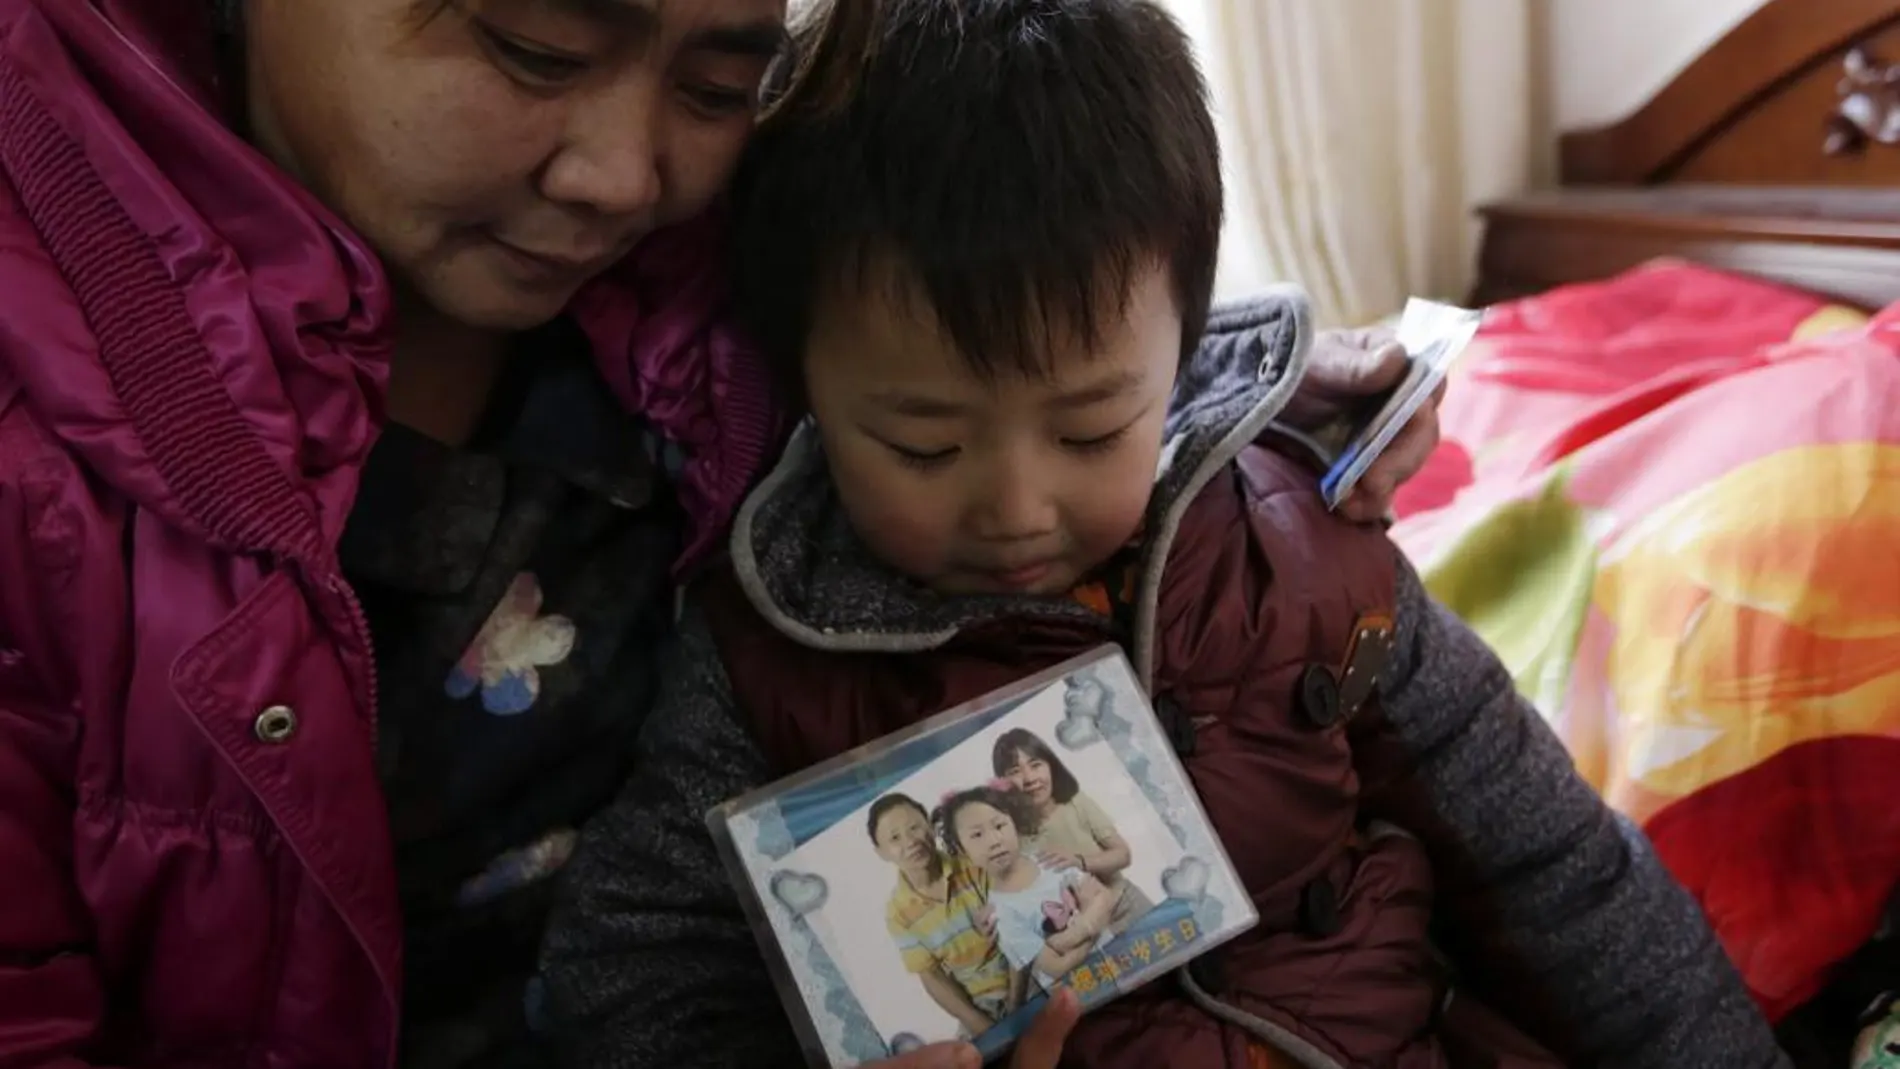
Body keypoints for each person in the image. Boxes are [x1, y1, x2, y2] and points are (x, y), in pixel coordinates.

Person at [0, 0, 1441, 1066]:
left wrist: (1213, 403)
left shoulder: (731, 249)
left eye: (720, 75)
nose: (630, 177)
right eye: (532, 48)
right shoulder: (44, 445)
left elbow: (996, 283)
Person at [535, 1, 1792, 1068]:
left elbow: (1554, 864)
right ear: (801, 388)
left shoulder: (1298, 547)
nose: (1017, 509)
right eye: (922, 446)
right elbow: (630, 979)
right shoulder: (761, 653)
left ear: (1184, 359)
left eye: (1090, 430)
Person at [936, 784, 1123, 1003]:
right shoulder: (1001, 913)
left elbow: (1106, 898)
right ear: (960, 850)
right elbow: (1056, 966)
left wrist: (1068, 938)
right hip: (1084, 997)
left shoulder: (1049, 862)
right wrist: (1091, 923)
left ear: (1014, 824)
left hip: (1121, 963)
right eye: (977, 835)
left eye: (999, 825)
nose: (995, 841)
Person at [868, 793, 1013, 1036]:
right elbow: (931, 975)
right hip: (977, 1003)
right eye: (895, 837)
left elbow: (1017, 918)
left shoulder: (971, 862)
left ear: (929, 825)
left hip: (1022, 976)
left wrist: (1017, 1004)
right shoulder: (898, 914)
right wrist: (980, 1025)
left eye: (914, 828)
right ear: (882, 852)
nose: (910, 841)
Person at [991, 727, 1153, 933]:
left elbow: (1123, 855)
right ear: (1002, 783)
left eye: (1035, 765)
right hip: (1085, 932)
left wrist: (1080, 861)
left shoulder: (1075, 802)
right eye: (1015, 771)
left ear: (1051, 766)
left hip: (1126, 905)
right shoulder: (1009, 836)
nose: (1029, 778)